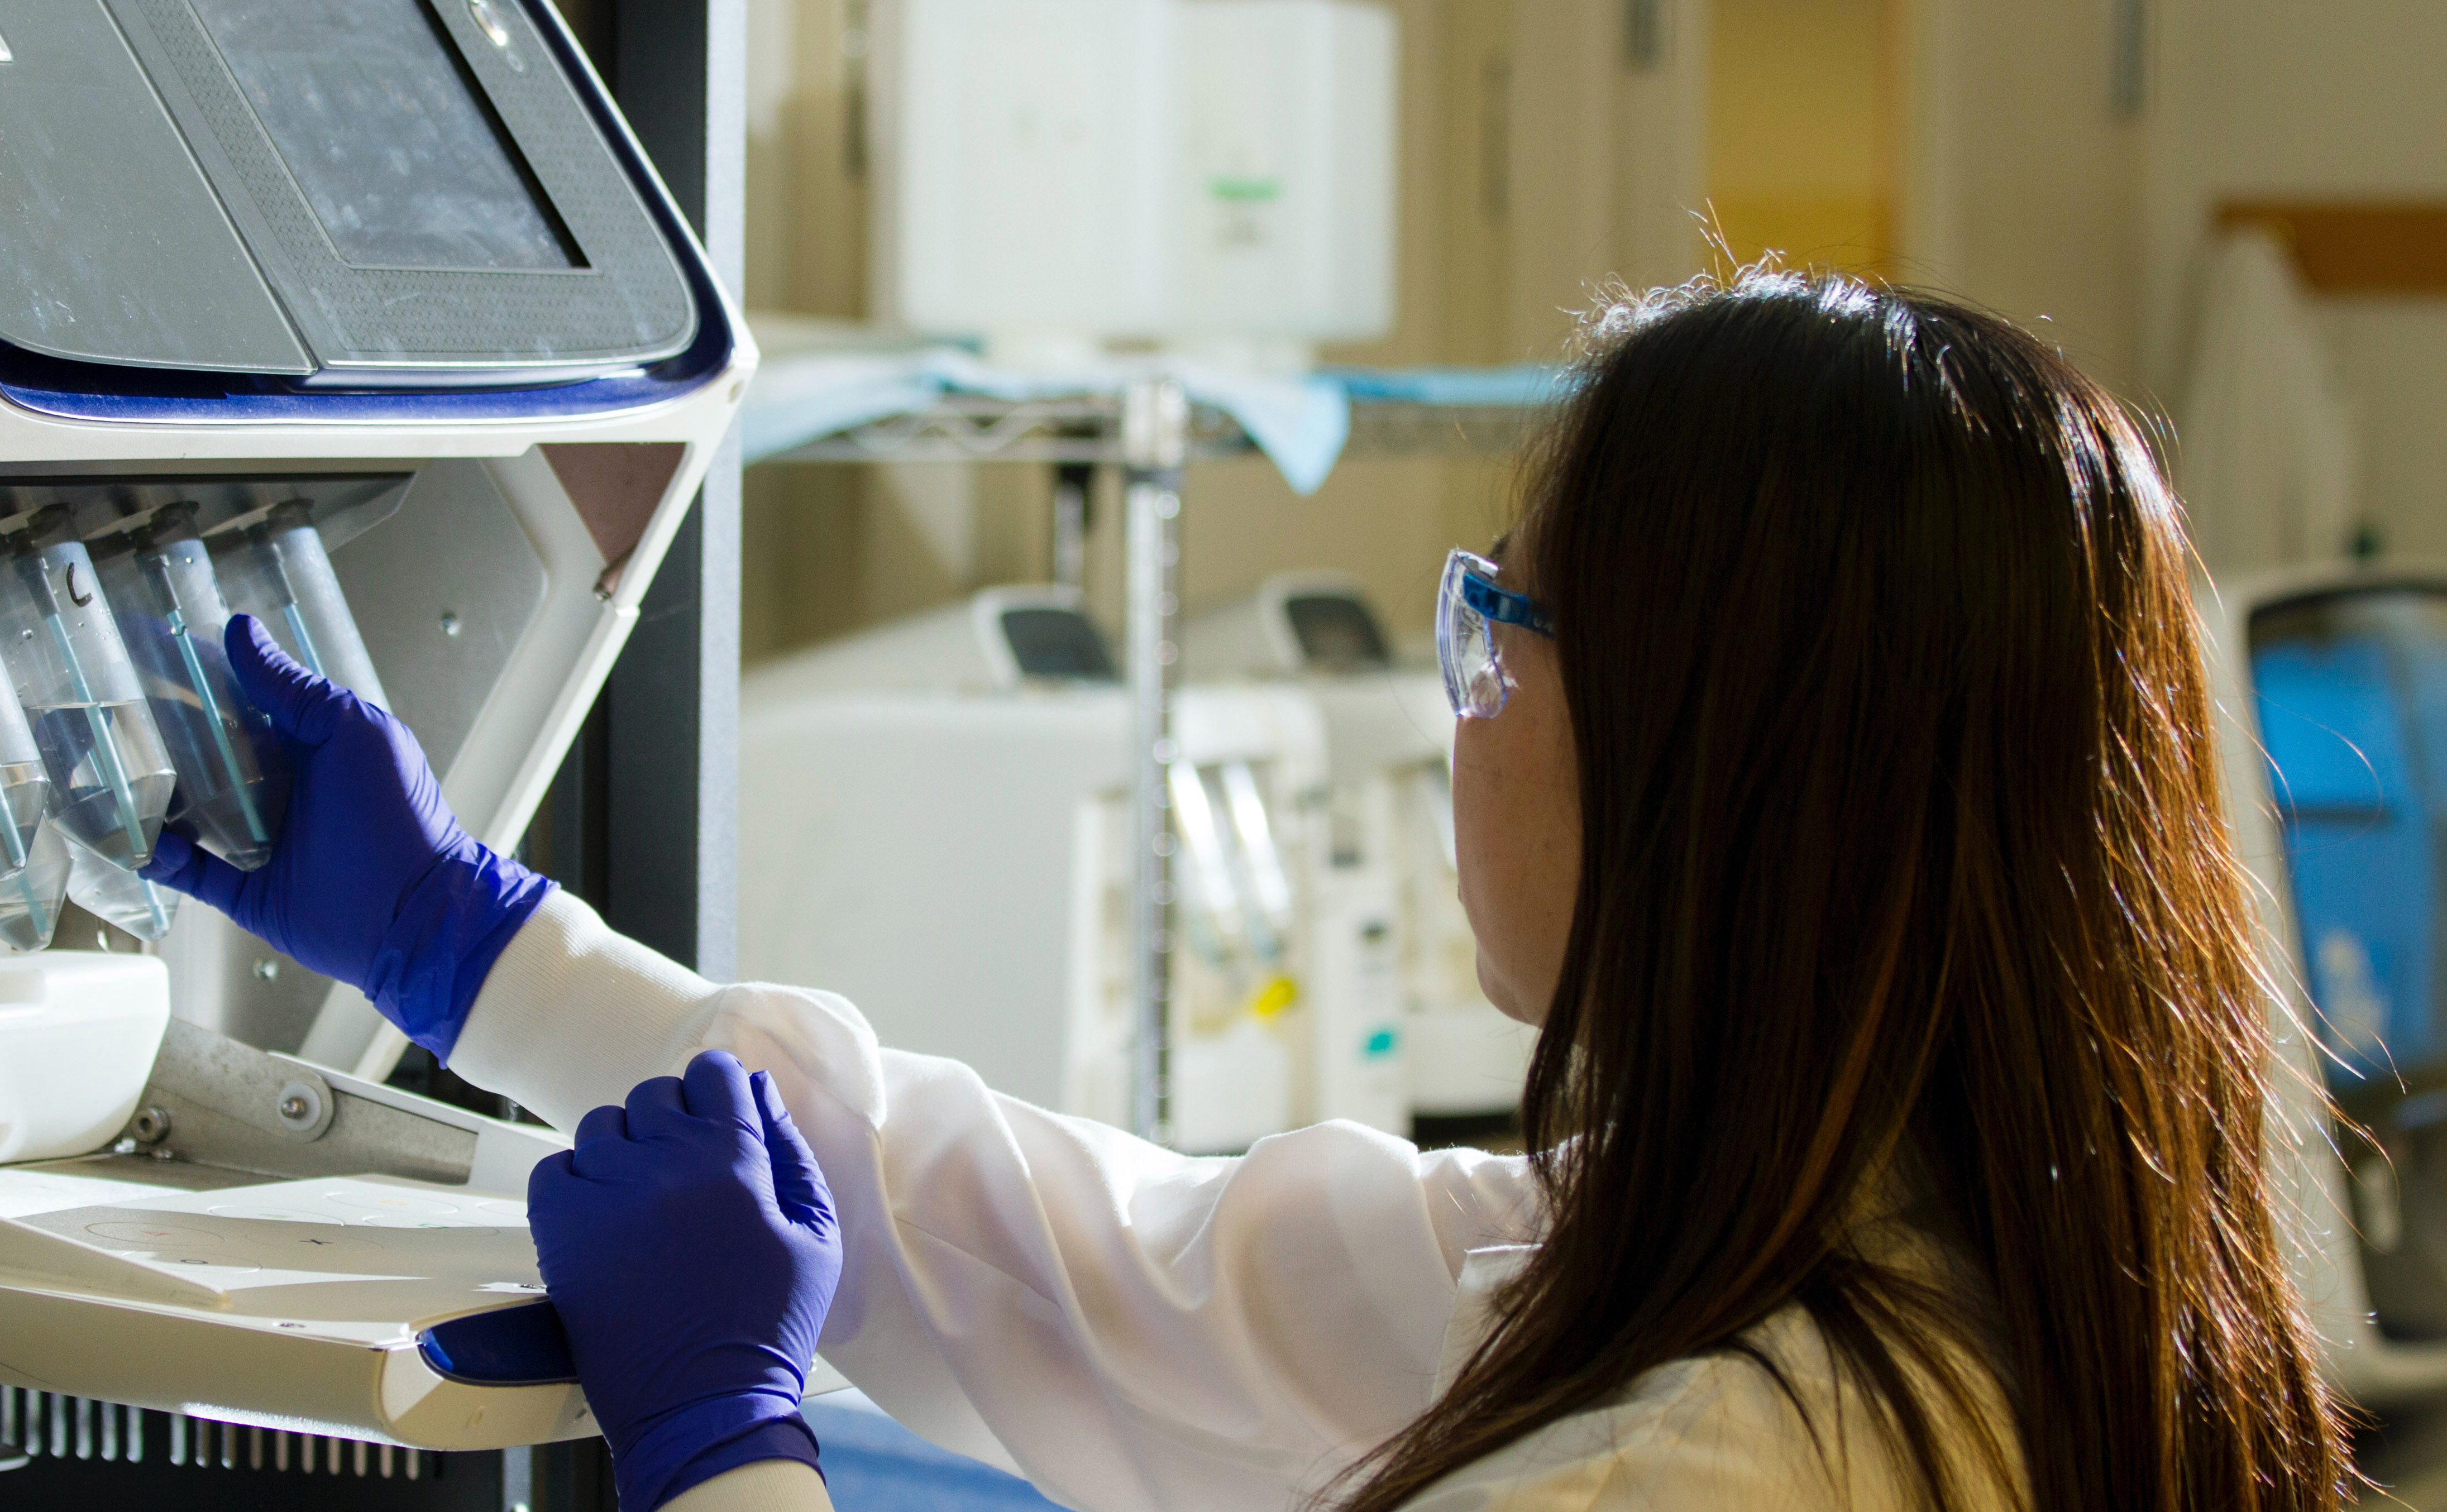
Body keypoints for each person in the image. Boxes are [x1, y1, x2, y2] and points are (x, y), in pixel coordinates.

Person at [145, 270, 2355, 1512]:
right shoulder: (1883, 1262)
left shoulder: (1707, 1468)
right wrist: (482, 946)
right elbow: (1097, 1264)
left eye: (1503, 624)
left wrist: (733, 1450)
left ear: (1712, 760)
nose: (1462, 693)